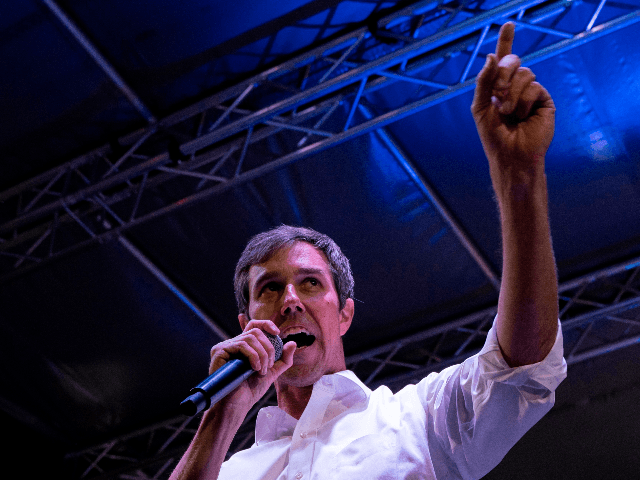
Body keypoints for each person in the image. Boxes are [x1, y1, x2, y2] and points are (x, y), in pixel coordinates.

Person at [169, 22, 567, 480]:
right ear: (245, 325)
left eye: (311, 283)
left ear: (345, 315)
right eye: (270, 289)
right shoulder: (232, 470)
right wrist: (222, 415)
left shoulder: (415, 420)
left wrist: (519, 174)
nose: (291, 301)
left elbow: (522, 366)